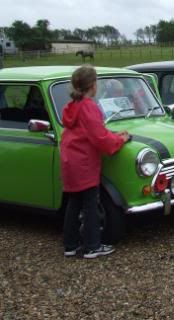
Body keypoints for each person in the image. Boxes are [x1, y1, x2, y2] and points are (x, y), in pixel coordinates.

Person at [61, 65, 130, 259]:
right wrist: (120, 139)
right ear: (92, 85)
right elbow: (99, 138)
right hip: (84, 162)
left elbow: (90, 131)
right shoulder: (89, 106)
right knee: (91, 204)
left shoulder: (72, 106)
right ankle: (92, 246)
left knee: (73, 204)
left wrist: (112, 135)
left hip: (70, 160)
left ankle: (70, 245)